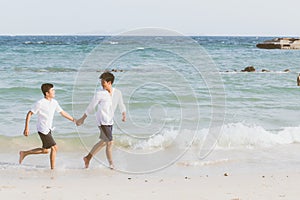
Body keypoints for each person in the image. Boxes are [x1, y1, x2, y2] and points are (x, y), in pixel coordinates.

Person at [19, 83, 76, 170]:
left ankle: (24, 153)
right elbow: (30, 113)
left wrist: (73, 120)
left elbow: (62, 112)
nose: (54, 91)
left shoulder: (54, 102)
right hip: (42, 129)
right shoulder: (40, 103)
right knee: (54, 147)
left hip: (48, 128)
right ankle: (52, 169)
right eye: (52, 90)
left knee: (46, 150)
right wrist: (26, 128)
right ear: (47, 93)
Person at [76, 72, 126, 169]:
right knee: (110, 142)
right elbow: (91, 107)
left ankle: (87, 158)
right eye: (101, 82)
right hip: (102, 120)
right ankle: (111, 164)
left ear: (109, 82)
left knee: (104, 142)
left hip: (110, 120)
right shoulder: (100, 94)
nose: (102, 84)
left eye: (103, 82)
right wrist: (83, 118)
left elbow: (121, 104)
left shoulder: (117, 92)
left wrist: (123, 113)